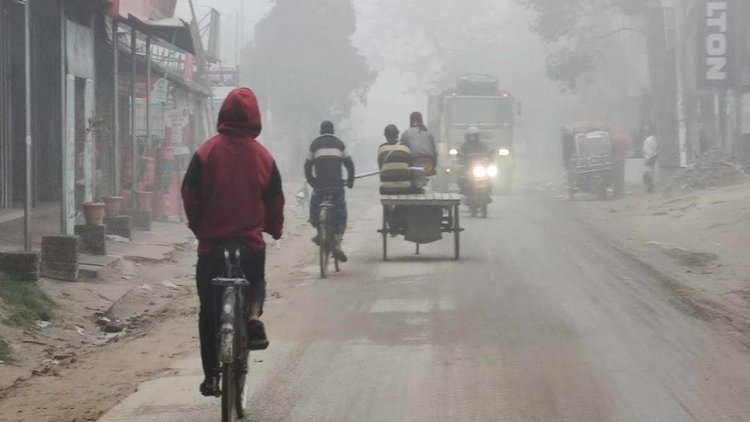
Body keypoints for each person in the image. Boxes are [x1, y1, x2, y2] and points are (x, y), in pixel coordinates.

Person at [182, 87, 285, 397]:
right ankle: (252, 316)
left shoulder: (206, 152)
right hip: (249, 245)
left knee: (208, 312)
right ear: (255, 119)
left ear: (223, 114)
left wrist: (199, 226)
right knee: (255, 281)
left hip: (212, 248)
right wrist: (274, 229)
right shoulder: (264, 157)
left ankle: (211, 377)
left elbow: (189, 193)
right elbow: (275, 201)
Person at [305, 120, 355, 262]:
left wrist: (313, 182)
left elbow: (307, 166)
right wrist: (350, 181)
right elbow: (349, 164)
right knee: (340, 214)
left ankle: (319, 231)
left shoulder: (315, 144)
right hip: (336, 187)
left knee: (314, 209)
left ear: (320, 131)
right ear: (333, 131)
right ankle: (337, 243)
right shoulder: (339, 143)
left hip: (320, 187)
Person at [401, 111, 437, 189]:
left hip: (413, 166)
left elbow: (403, 153)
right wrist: (434, 167)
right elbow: (434, 153)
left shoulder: (406, 134)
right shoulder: (429, 133)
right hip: (428, 166)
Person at [378, 124, 415, 195]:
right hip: (405, 187)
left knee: (382, 189)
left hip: (387, 188)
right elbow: (410, 167)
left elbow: (381, 168)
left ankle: (386, 206)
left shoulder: (381, 149)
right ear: (397, 134)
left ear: (385, 136)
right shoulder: (405, 147)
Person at [458, 126, 493, 195]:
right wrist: (461, 157)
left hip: (480, 166)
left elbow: (488, 150)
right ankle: (464, 190)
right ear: (467, 136)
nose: (472, 137)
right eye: (470, 135)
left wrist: (489, 155)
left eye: (474, 135)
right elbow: (460, 153)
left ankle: (488, 190)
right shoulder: (464, 145)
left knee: (489, 176)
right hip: (468, 167)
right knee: (462, 176)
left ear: (477, 136)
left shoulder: (482, 144)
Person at [612, 128, 629, 197]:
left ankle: (615, 191)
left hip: (614, 159)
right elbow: (627, 148)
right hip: (622, 159)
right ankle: (620, 191)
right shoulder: (624, 138)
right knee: (621, 175)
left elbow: (611, 148)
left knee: (615, 175)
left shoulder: (612, 138)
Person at [642, 129, 659, 193]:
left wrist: (646, 156)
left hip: (648, 157)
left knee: (647, 172)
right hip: (653, 156)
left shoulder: (647, 140)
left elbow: (644, 149)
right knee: (651, 171)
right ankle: (650, 187)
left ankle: (650, 186)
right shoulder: (654, 139)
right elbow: (655, 147)